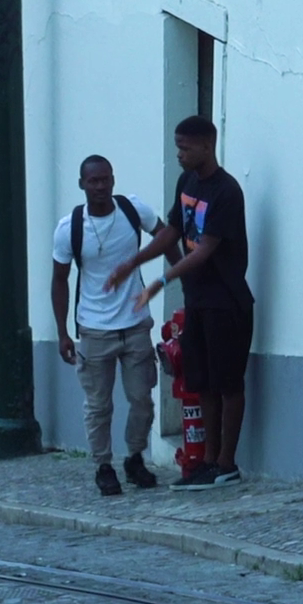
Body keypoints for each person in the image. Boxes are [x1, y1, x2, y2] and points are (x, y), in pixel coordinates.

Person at [107, 116, 253, 486]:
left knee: (228, 383)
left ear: (207, 145)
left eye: (185, 148)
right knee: (202, 382)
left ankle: (227, 464)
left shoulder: (227, 192)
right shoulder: (187, 183)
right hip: (198, 300)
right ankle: (207, 461)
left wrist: (162, 280)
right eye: (177, 147)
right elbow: (172, 231)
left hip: (226, 301)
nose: (179, 154)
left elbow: (204, 250)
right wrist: (134, 262)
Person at [52, 155, 180, 497]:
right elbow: (59, 280)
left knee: (142, 400)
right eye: (93, 181)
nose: (100, 186)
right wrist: (63, 332)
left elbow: (166, 238)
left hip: (135, 323)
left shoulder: (132, 210)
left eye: (105, 179)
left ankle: (135, 458)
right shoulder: (70, 228)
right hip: (93, 329)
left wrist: (181, 274)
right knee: (98, 405)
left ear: (113, 179)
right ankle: (103, 466)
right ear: (82, 184)